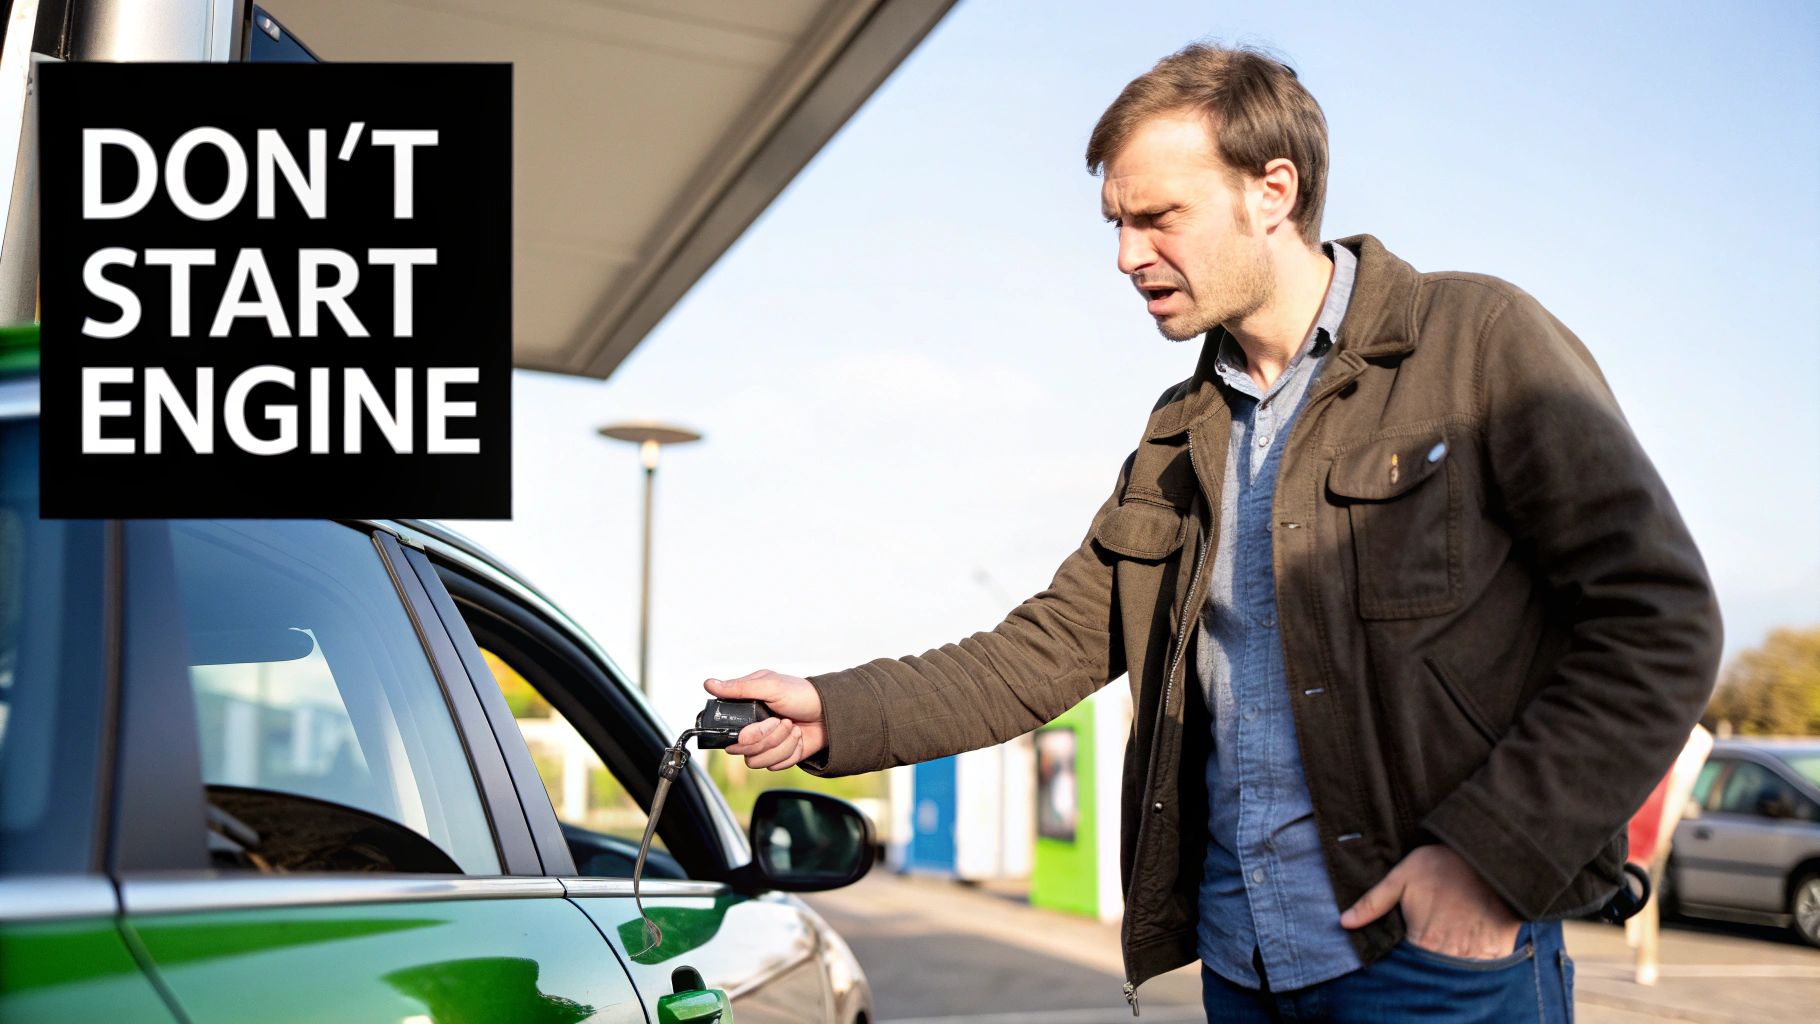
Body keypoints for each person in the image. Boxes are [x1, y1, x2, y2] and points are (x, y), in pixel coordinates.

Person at [703, 43, 1721, 1023]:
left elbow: (1659, 625)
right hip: (1244, 969)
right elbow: (1044, 648)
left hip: (1431, 966)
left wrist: (1487, 859)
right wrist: (835, 709)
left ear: (1271, 191)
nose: (1125, 255)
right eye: (1116, 223)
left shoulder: (1477, 344)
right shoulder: (1177, 430)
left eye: (1158, 217)